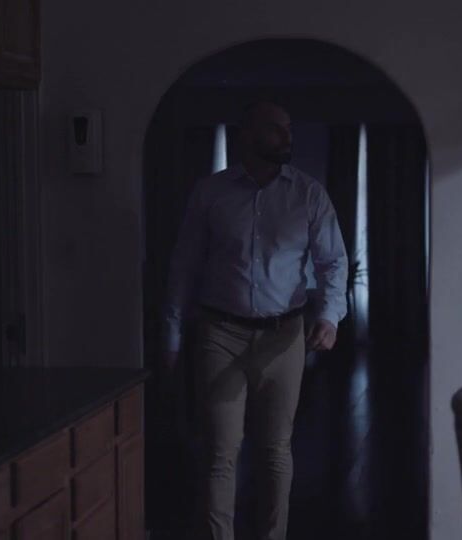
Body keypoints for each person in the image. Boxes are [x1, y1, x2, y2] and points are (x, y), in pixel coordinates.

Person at [162, 100, 348, 540]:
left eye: (289, 128)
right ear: (247, 134)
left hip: (284, 336)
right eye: (275, 128)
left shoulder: (308, 194)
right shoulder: (211, 193)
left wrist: (330, 316)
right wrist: (171, 334)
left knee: (275, 450)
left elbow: (334, 262)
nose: (287, 137)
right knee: (220, 452)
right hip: (220, 333)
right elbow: (184, 265)